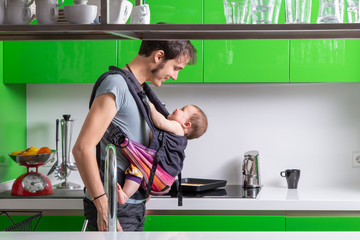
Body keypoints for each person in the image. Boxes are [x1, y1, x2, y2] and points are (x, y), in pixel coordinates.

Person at [72, 40, 197, 232]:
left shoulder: (140, 91)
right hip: (114, 208)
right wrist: (104, 209)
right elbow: (82, 148)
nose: (174, 76)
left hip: (133, 207)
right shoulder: (116, 84)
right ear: (158, 56)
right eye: (175, 68)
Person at [117, 102, 208, 205]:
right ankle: (145, 199)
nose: (177, 108)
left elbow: (160, 122)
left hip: (159, 174)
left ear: (186, 124)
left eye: (183, 110)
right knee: (146, 176)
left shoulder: (177, 128)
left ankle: (125, 194)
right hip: (164, 180)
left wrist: (152, 108)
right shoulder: (181, 140)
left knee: (136, 169)